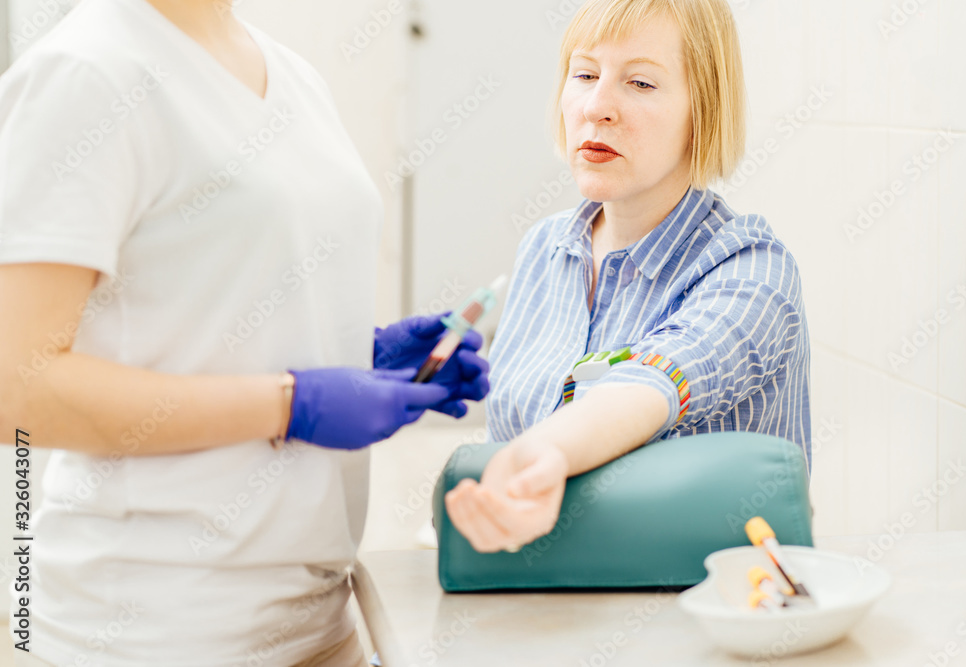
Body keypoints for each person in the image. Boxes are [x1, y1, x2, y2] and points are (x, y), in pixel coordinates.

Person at [0, 0, 487, 665]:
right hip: (153, 630)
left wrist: (358, 354)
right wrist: (293, 403)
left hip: (322, 619)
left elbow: (214, 306)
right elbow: (17, 390)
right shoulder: (86, 72)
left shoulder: (292, 76)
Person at [444, 0, 810, 555]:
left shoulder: (752, 269)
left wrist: (541, 455)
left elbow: (660, 378)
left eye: (640, 83)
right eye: (585, 74)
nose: (596, 107)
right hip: (536, 594)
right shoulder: (545, 249)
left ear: (703, 109)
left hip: (699, 613)